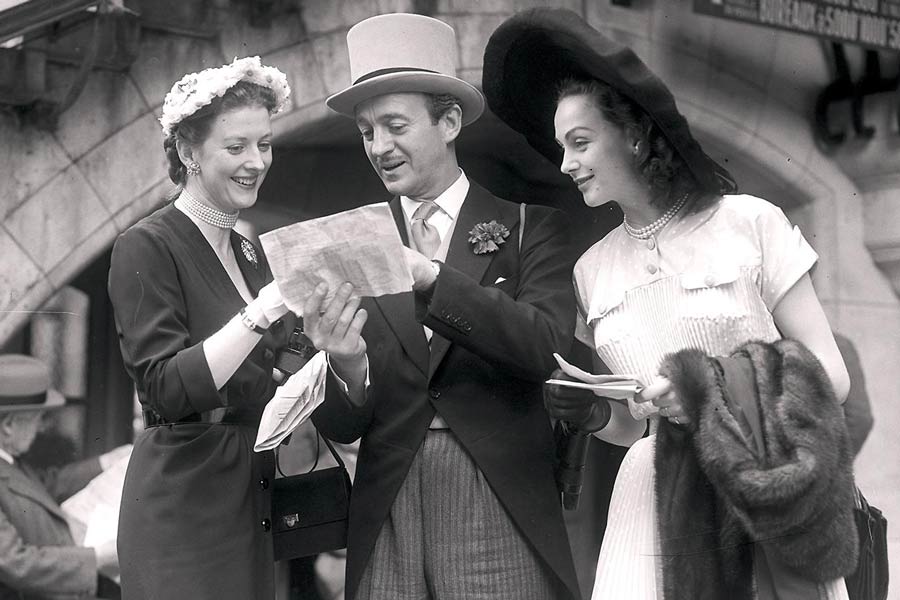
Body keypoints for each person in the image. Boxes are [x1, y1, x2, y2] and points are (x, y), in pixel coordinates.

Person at [483, 8, 857, 600]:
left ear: (634, 133)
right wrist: (594, 413)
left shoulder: (750, 223)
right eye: (561, 147)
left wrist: (708, 387)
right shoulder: (592, 269)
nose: (566, 163)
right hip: (653, 498)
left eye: (580, 142)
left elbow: (830, 378)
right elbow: (637, 422)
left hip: (760, 487)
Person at [311, 13, 581, 600]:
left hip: (496, 494)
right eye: (366, 131)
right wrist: (346, 365)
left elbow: (550, 349)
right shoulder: (351, 242)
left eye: (395, 125)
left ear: (450, 120)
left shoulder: (529, 225)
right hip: (387, 506)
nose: (379, 147)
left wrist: (431, 277)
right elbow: (340, 422)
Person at [108, 57, 367, 600]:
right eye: (236, 147)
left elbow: (288, 380)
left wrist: (338, 355)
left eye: (265, 144)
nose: (256, 162)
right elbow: (163, 388)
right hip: (182, 498)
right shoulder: (147, 245)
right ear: (187, 152)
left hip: (250, 494)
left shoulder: (253, 253)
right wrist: (263, 311)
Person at [0, 354, 126, 600]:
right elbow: (13, 561)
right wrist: (98, 558)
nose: (41, 428)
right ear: (9, 425)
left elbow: (45, 485)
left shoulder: (11, 461)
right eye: (38, 419)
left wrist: (104, 463)